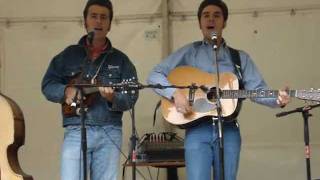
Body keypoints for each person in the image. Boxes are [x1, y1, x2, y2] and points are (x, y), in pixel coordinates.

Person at [147, 0, 290, 180]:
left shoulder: (239, 58)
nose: (211, 19)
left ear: (225, 22)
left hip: (228, 129)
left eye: (217, 15)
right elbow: (154, 75)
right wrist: (175, 94)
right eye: (206, 15)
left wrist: (277, 99)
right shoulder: (189, 52)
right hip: (197, 129)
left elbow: (257, 90)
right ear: (200, 23)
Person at [41, 0, 138, 179]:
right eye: (94, 16)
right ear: (85, 21)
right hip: (76, 128)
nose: (98, 21)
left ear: (110, 24)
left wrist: (112, 98)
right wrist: (66, 91)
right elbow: (47, 84)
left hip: (109, 130)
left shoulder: (121, 60)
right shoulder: (68, 55)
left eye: (104, 17)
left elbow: (131, 96)